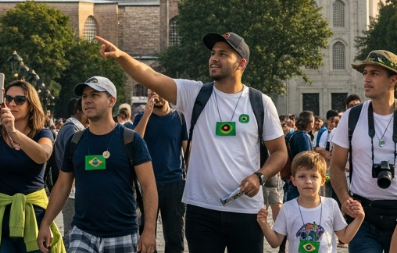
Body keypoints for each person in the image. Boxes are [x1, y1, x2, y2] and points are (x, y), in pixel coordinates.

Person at [92, 32, 286, 253]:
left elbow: (279, 152)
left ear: (241, 63)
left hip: (246, 211)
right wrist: (120, 56)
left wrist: (259, 177)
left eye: (223, 54)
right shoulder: (196, 94)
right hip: (201, 210)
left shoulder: (260, 102)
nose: (214, 58)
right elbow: (151, 76)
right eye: (213, 53)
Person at [37, 76, 158, 253]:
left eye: (94, 95)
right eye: (84, 96)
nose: (87, 100)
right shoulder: (75, 141)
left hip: (122, 233)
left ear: (111, 101)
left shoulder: (131, 140)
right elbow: (63, 185)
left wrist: (148, 230)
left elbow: (149, 187)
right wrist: (46, 223)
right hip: (82, 233)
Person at [330, 50, 397, 253]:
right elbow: (337, 166)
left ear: (393, 80)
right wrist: (344, 200)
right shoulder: (351, 117)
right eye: (365, 73)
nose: (366, 79)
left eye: (374, 73)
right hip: (363, 216)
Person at [0, 80, 60, 253]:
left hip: (34, 216)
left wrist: (13, 131)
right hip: (0, 217)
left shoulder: (42, 132)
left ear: (31, 105)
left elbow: (43, 155)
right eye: (8, 98)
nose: (13, 103)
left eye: (20, 100)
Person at [258, 151, 365, 252]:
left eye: (314, 176)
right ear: (293, 180)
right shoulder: (287, 208)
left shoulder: (331, 205)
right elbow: (275, 242)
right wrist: (264, 224)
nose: (308, 181)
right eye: (302, 176)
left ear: (323, 180)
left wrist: (359, 218)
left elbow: (345, 237)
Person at [133, 89, 188, 253]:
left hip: (174, 183)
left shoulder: (179, 118)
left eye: (160, 92)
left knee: (175, 235)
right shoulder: (140, 118)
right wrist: (146, 114)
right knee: (145, 234)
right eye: (152, 93)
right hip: (148, 184)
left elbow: (187, 150)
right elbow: (134, 142)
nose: (157, 96)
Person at [53, 97, 88, 247]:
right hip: (71, 192)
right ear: (78, 111)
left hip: (74, 191)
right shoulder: (72, 130)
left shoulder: (74, 128)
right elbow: (77, 160)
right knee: (72, 235)